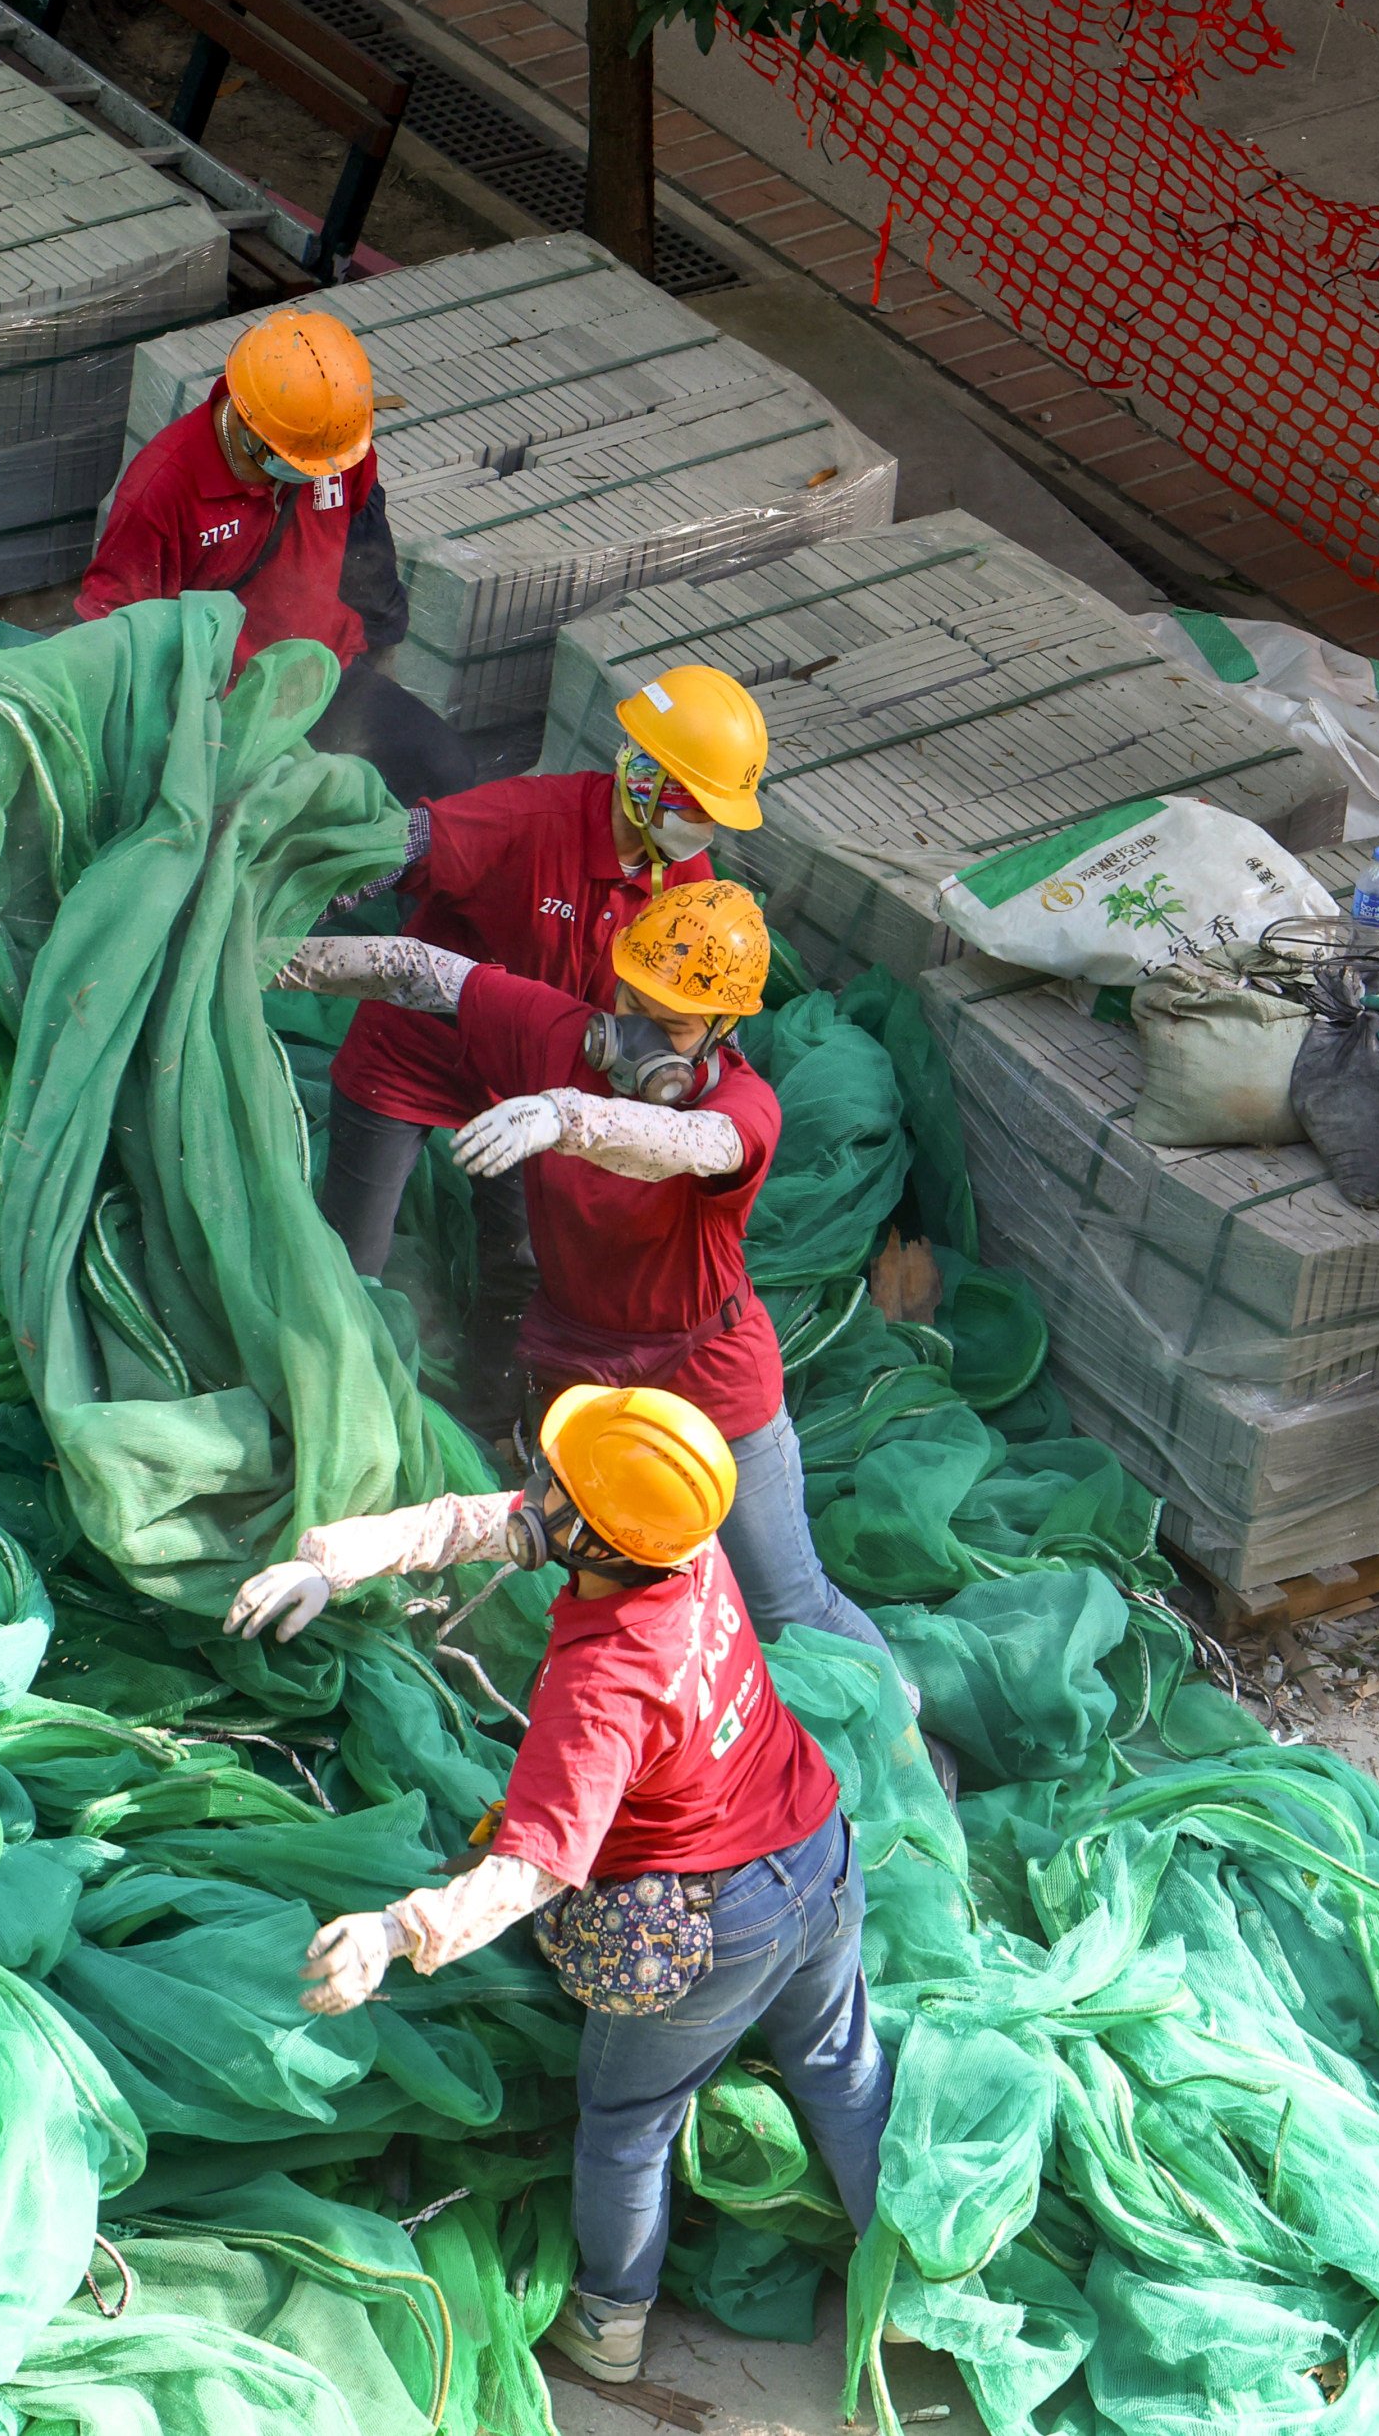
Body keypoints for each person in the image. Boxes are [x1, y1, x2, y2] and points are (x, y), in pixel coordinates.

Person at [225, 1384, 891, 2387]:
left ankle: (613, 2322)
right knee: (839, 2063)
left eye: (554, 1479)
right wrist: (329, 1561)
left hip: (718, 1914)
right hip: (816, 1850)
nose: (532, 1483)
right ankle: (898, 2275)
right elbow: (494, 1524)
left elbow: (535, 1867)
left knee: (628, 2124)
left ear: (596, 1530)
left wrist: (396, 1932)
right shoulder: (684, 1542)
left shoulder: (604, 1683)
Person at [275, 875, 891, 1658]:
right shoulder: (558, 1034)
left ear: (722, 1028)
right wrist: (263, 956)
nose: (635, 1034)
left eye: (668, 1024)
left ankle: (898, 1729)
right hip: (579, 1380)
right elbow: (416, 969)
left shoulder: (742, 1109)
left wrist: (564, 1115)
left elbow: (688, 1147)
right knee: (584, 1577)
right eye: (630, 1003)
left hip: (707, 1385)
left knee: (787, 1603)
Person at [315, 665, 773, 1418]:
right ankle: (336, 1405)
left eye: (715, 813)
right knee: (350, 1257)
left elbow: (695, 994)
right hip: (409, 1057)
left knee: (518, 1260)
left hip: (527, 1087)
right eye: (697, 803)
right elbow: (409, 845)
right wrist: (322, 878)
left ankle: (489, 1418)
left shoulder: (688, 887)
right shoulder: (535, 817)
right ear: (643, 772)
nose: (704, 827)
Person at [75, 306, 470, 803]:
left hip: (325, 676)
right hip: (220, 706)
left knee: (447, 773)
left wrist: (383, 657)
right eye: (302, 462)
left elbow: (367, 551)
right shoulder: (164, 490)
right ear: (248, 426)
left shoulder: (333, 445)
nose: (320, 473)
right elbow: (114, 631)